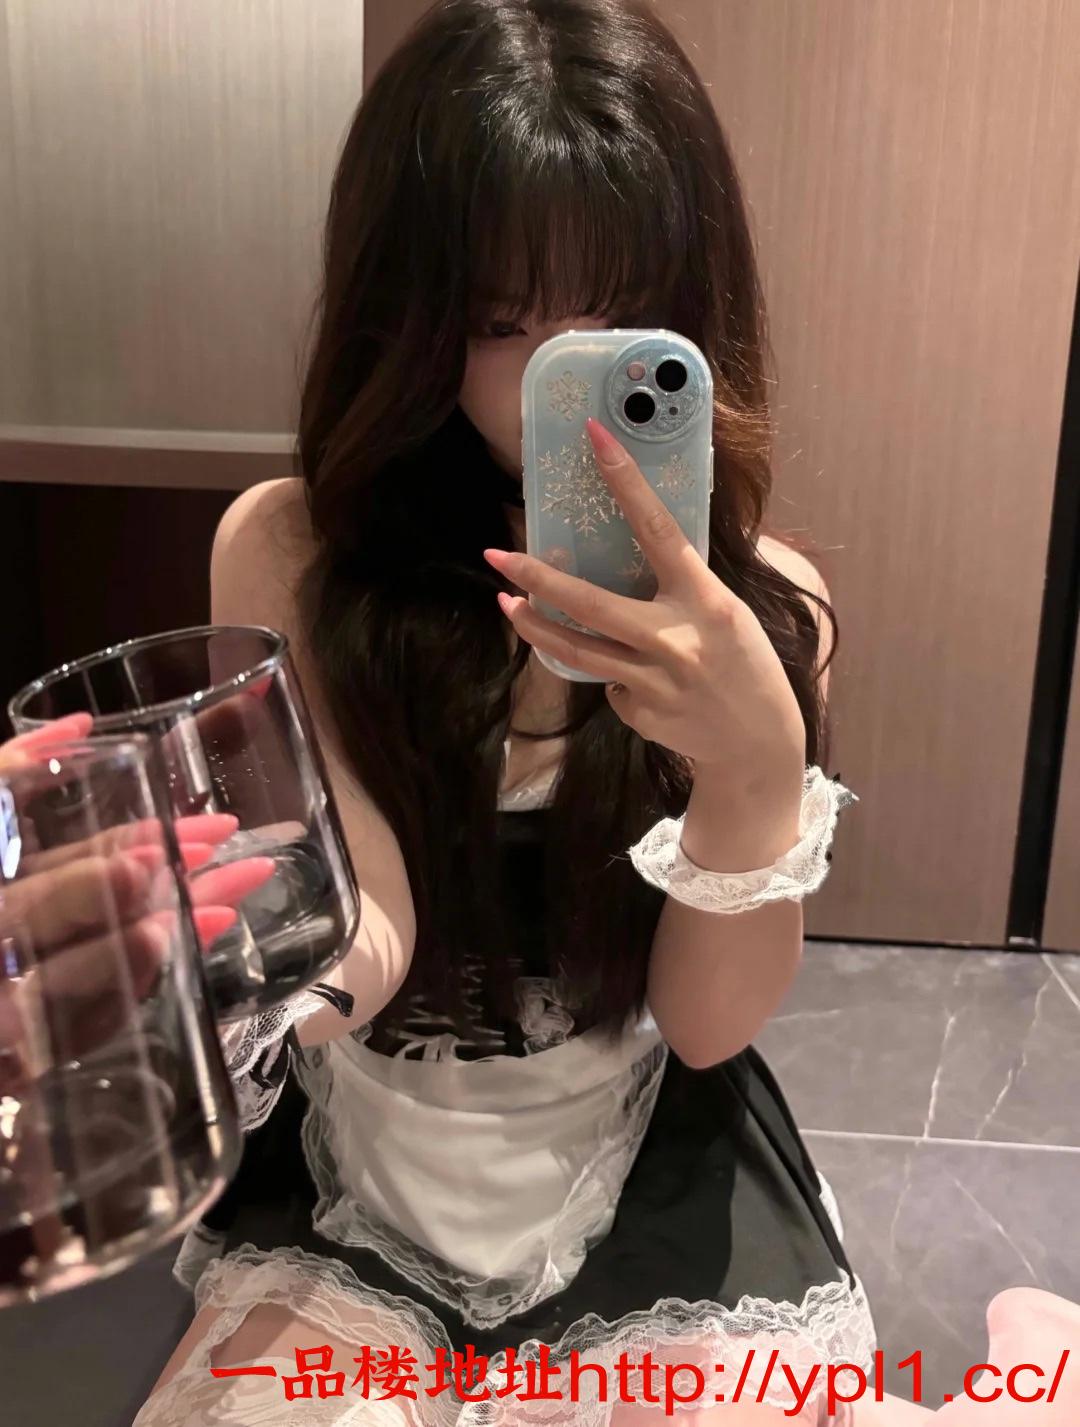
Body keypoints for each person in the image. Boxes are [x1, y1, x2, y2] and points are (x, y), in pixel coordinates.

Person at [130, 1, 879, 1421]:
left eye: (617, 319)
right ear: (407, 321)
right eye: (501, 323)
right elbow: (372, 924)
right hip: (367, 1175)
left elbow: (704, 1027)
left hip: (645, 1160)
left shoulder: (769, 609)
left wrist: (753, 774)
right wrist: (243, 989)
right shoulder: (295, 556)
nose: (563, 384)